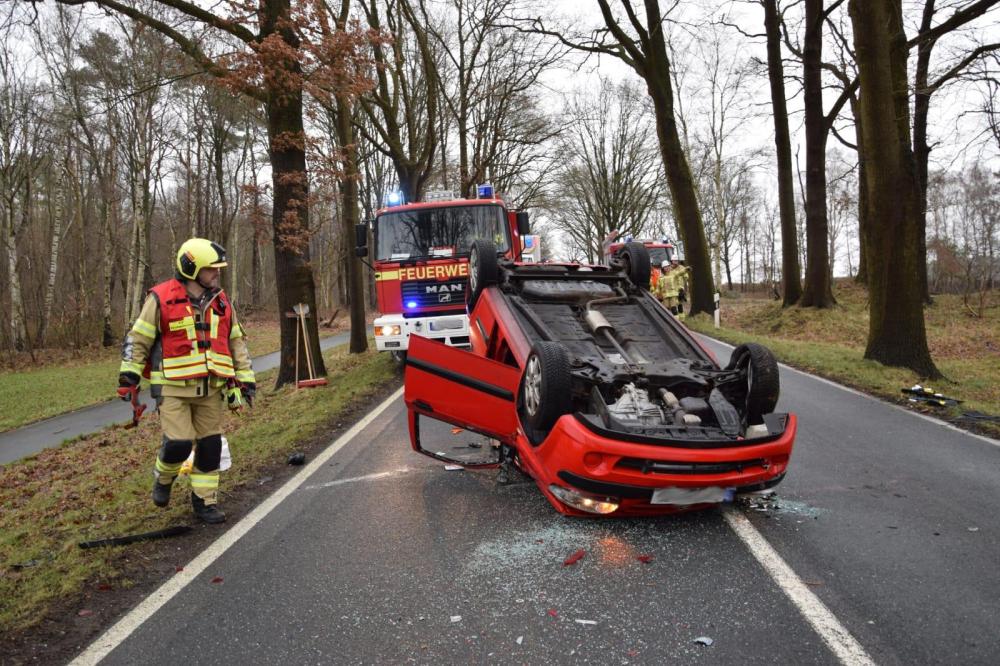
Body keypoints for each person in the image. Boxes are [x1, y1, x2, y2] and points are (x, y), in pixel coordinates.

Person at [117, 238, 255, 524]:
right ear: (191, 268)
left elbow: (236, 342)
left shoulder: (221, 300)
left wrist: (244, 380)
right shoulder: (160, 298)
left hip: (210, 389)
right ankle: (163, 479)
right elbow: (139, 338)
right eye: (211, 268)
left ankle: (204, 502)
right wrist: (129, 375)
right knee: (179, 443)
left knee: (210, 446)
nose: (216, 273)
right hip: (172, 389)